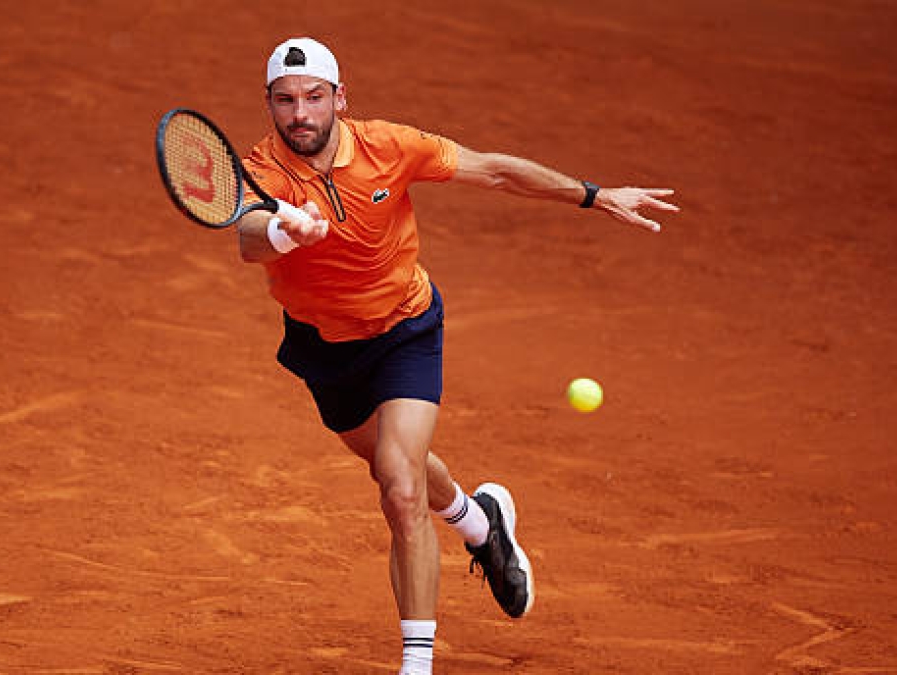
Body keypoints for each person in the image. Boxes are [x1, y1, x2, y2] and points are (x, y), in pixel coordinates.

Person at [237, 37, 678, 675]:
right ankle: (481, 524)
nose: (300, 113)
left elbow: (493, 169)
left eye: (314, 98)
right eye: (286, 101)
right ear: (270, 106)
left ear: (340, 98)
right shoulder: (261, 169)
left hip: (404, 331)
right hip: (324, 347)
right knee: (403, 469)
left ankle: (416, 666)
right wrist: (283, 229)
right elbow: (249, 238)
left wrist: (593, 193)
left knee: (398, 482)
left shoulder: (391, 146)